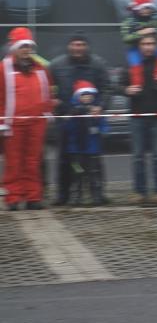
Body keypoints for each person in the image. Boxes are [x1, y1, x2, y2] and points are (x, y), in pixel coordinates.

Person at [49, 32, 111, 206]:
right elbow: (49, 87)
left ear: (87, 47)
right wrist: (54, 102)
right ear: (69, 46)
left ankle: (98, 193)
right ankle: (64, 195)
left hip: (91, 120)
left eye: (82, 45)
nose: (78, 48)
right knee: (65, 159)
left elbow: (107, 88)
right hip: (66, 119)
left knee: (94, 159)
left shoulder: (98, 64)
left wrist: (101, 106)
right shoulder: (56, 65)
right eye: (75, 45)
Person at [0, 28, 52, 211]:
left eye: (28, 46)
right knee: (14, 162)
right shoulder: (4, 68)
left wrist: (47, 113)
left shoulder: (40, 68)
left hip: (36, 123)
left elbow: (48, 92)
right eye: (22, 46)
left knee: (33, 161)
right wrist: (2, 122)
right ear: (14, 48)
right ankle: (13, 197)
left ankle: (33, 197)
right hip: (13, 124)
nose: (26, 50)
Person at [122, 34, 157, 205]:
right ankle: (139, 191)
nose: (148, 47)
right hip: (137, 115)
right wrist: (127, 89)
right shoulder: (132, 62)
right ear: (139, 46)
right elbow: (120, 84)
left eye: (151, 43)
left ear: (156, 45)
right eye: (145, 43)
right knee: (138, 156)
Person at [62, 80, 108, 205]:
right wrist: (70, 118)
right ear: (78, 97)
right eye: (84, 96)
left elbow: (103, 125)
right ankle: (76, 196)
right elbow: (67, 129)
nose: (87, 98)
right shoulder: (73, 111)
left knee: (94, 172)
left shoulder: (96, 111)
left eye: (89, 96)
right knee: (77, 172)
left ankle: (96, 195)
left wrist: (100, 127)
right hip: (75, 149)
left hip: (92, 149)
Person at [120, 0, 157, 88]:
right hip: (135, 48)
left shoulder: (154, 20)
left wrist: (155, 30)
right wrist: (140, 33)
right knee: (135, 63)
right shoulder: (129, 22)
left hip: (152, 47)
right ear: (138, 8)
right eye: (145, 8)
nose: (147, 10)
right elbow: (125, 38)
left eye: (149, 8)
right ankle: (137, 85)